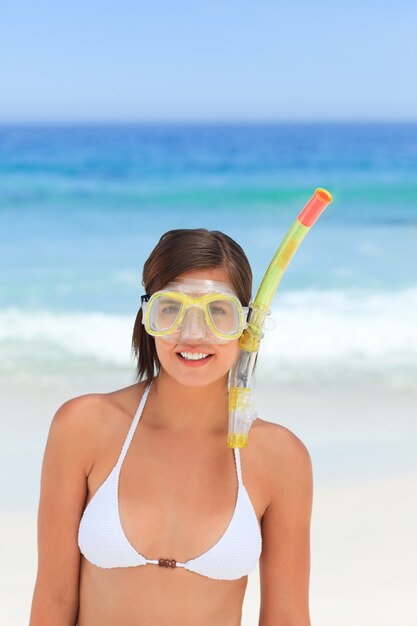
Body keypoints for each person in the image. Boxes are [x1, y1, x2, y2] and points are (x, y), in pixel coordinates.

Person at [29, 228, 313, 626]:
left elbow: (287, 617)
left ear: (246, 325)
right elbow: (52, 601)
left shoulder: (280, 458)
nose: (193, 333)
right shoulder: (84, 427)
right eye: (171, 309)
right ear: (148, 318)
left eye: (217, 311)